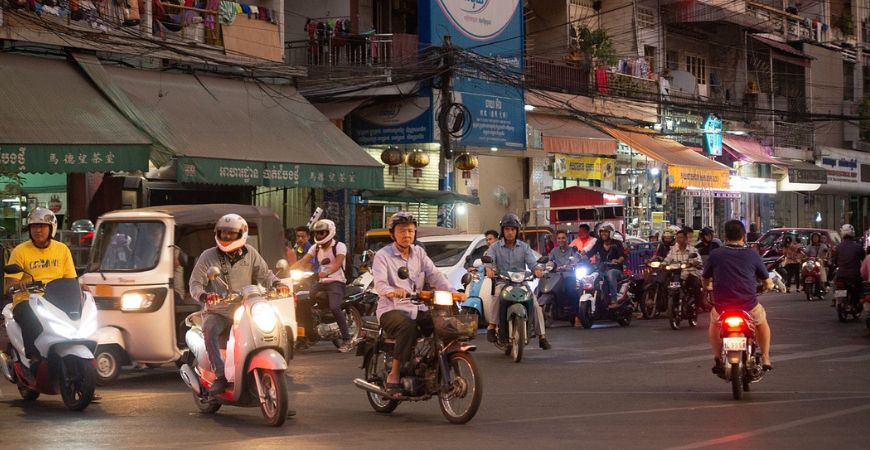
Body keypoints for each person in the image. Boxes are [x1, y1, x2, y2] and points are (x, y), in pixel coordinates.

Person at [189, 214, 288, 394]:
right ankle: (220, 375)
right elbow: (195, 283)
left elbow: (265, 275)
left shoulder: (250, 253)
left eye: (231, 234)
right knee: (209, 328)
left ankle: (276, 383)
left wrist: (277, 284)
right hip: (219, 311)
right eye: (223, 234)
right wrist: (205, 296)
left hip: (246, 309)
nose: (226, 238)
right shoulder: (208, 256)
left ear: (242, 233)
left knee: (277, 328)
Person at [371, 212, 452, 396]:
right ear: (392, 234)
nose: (406, 235)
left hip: (417, 306)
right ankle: (394, 374)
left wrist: (454, 292)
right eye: (401, 231)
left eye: (410, 231)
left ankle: (430, 363)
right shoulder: (383, 256)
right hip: (391, 308)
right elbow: (380, 283)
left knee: (442, 322)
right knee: (407, 326)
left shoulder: (419, 253)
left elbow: (435, 275)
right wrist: (392, 291)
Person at [5, 208, 77, 367]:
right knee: (31, 317)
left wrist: (82, 289)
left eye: (42, 226)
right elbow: (10, 284)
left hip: (54, 298)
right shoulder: (20, 251)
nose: (38, 230)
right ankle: (34, 357)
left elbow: (71, 279)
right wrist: (20, 284)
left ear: (51, 228)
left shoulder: (62, 249)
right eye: (34, 226)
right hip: (27, 299)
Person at [702, 219, 773, 374]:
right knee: (762, 323)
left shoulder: (716, 254)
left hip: (722, 306)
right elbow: (767, 281)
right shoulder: (752, 254)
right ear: (744, 237)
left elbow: (705, 278)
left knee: (714, 324)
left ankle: (717, 357)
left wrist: (706, 288)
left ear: (725, 236)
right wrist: (768, 287)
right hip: (749, 305)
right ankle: (766, 357)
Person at [485, 213, 550, 350]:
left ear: (517, 231)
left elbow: (532, 263)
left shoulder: (524, 247)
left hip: (521, 282)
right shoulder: (495, 247)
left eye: (513, 229)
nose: (510, 232)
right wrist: (489, 270)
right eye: (507, 229)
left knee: (535, 303)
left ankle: (542, 336)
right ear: (503, 230)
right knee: (497, 295)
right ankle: (492, 325)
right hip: (503, 282)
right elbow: (488, 262)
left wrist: (537, 270)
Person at [291, 219, 352, 352]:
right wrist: (286, 271)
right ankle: (309, 335)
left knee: (335, 307)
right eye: (317, 233)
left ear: (330, 232)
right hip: (321, 283)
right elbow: (303, 261)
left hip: (337, 282)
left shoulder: (339, 246)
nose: (319, 235)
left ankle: (347, 340)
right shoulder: (316, 247)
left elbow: (338, 263)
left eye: (322, 232)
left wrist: (327, 272)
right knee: (302, 301)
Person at [584, 224, 625, 308]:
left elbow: (622, 256)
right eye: (602, 232)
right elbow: (589, 253)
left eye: (606, 232)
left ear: (611, 233)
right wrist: (579, 259)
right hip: (602, 269)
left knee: (610, 273)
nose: (603, 234)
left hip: (616, 270)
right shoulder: (598, 243)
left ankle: (614, 301)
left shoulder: (617, 243)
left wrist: (617, 260)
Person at [665, 230, 704, 309]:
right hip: (677, 273)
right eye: (677, 238)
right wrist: (663, 264)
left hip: (690, 273)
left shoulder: (693, 250)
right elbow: (667, 259)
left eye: (681, 237)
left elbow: (698, 261)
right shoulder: (673, 249)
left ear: (686, 238)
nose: (679, 239)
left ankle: (696, 304)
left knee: (695, 284)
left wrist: (692, 263)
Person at [831, 224, 865, 308]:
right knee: (861, 287)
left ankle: (835, 299)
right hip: (854, 275)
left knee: (835, 284)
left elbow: (834, 261)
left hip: (841, 275)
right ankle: (857, 302)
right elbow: (863, 259)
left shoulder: (838, 247)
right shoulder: (858, 247)